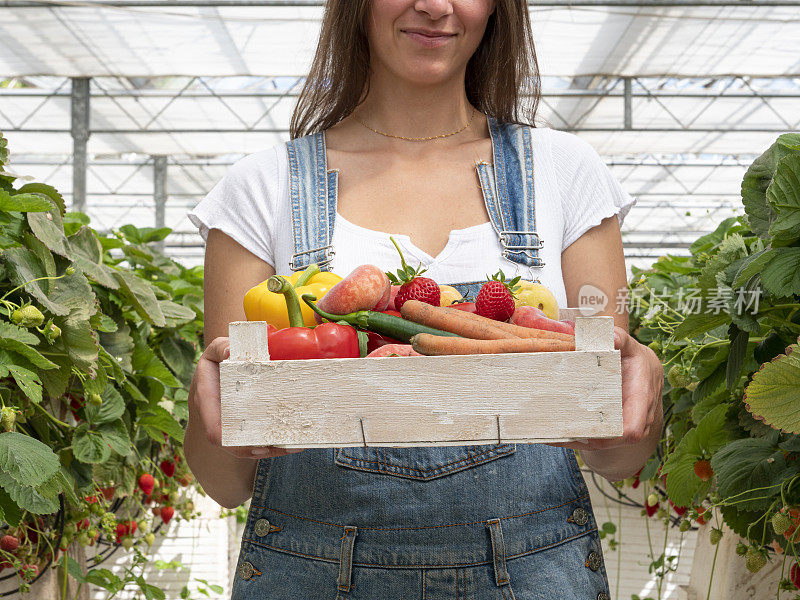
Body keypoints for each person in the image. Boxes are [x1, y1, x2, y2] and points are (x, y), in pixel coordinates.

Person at [185, 1, 665, 598]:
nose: (435, 6)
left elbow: (617, 457)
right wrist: (211, 403)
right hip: (310, 568)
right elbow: (225, 482)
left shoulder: (567, 174)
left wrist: (641, 387)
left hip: (533, 569)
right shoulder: (262, 188)